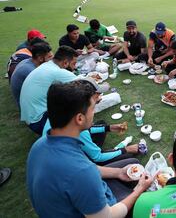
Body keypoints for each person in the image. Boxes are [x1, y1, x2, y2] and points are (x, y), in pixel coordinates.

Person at [27, 80, 153, 217]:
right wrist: (139, 190)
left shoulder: (40, 144)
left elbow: (87, 168)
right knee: (144, 204)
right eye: (93, 108)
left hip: (81, 198)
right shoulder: (81, 172)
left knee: (131, 165)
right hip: (103, 212)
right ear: (80, 118)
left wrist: (118, 173)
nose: (94, 113)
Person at [20, 46, 78, 134]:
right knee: (80, 102)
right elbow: (86, 85)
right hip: (39, 122)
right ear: (65, 63)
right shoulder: (57, 72)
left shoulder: (47, 65)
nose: (75, 67)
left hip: (30, 118)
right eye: (74, 64)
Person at [10, 42, 53, 108]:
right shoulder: (31, 71)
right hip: (29, 108)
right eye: (49, 57)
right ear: (40, 58)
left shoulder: (27, 61)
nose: (52, 59)